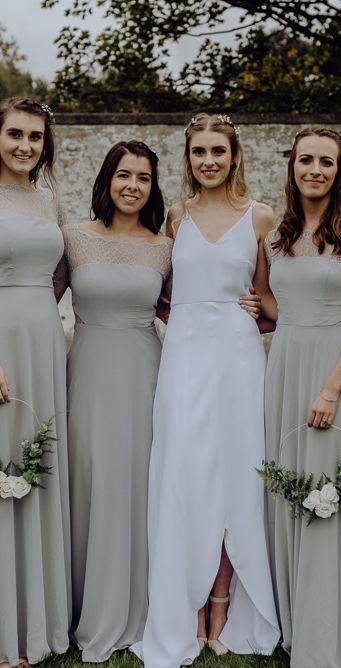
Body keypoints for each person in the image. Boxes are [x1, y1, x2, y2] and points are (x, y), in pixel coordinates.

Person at [132, 113, 279, 668]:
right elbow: (163, 292)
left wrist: (252, 310)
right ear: (188, 158)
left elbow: (271, 307)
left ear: (234, 155)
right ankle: (185, 608)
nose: (209, 160)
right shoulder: (175, 218)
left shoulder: (260, 218)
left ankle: (222, 607)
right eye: (199, 152)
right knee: (183, 476)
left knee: (236, 479)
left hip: (239, 359)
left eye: (218, 150)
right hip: (184, 358)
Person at [262, 127, 341, 668]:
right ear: (292, 166)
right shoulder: (275, 236)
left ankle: (337, 629)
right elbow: (273, 299)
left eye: (327, 162)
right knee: (291, 487)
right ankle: (297, 620)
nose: (315, 169)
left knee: (334, 492)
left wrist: (334, 386)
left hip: (335, 372)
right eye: (306, 160)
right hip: (285, 368)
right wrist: (256, 308)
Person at [60, 140, 171, 662]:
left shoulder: (165, 246)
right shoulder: (72, 239)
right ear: (106, 181)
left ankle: (137, 607)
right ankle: (81, 605)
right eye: (123, 175)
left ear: (153, 186)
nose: (132, 186)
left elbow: (188, 311)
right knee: (87, 482)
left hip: (145, 376)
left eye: (143, 178)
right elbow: (37, 299)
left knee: (136, 483)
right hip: (86, 374)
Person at [0, 97, 70, 667]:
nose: (26, 145)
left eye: (36, 137)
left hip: (44, 342)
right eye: (15, 134)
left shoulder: (49, 198)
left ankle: (37, 624)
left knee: (37, 465)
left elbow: (62, 273)